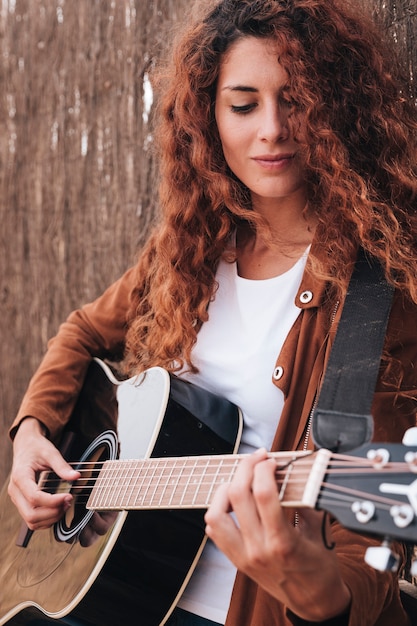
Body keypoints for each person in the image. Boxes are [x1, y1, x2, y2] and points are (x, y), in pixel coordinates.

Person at [6, 0, 417, 624]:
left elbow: (369, 567)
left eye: (297, 100)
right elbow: (83, 332)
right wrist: (33, 431)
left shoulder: (378, 291)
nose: (272, 129)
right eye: (244, 104)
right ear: (209, 116)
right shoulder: (192, 250)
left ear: (338, 110)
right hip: (126, 594)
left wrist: (312, 587)